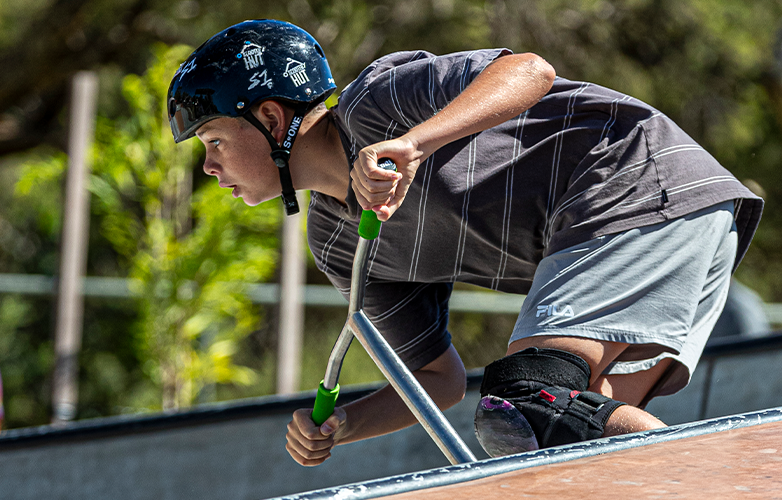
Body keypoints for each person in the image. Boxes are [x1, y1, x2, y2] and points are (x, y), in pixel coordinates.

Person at [167, 20, 763, 465]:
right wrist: (344, 423)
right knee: (566, 450)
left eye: (214, 140)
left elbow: (531, 71)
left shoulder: (378, 104)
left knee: (529, 403)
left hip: (633, 179)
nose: (210, 168)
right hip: (662, 219)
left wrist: (415, 144)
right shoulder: (337, 241)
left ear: (272, 119)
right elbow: (435, 379)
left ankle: (738, 476)